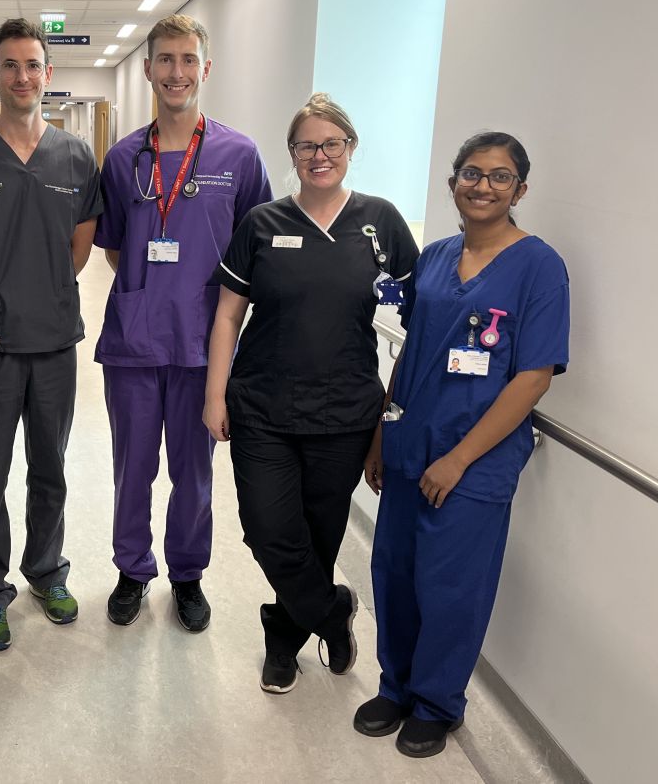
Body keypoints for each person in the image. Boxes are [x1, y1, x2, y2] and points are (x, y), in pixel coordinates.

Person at [354, 132, 569, 758]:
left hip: (473, 460)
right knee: (393, 572)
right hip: (408, 438)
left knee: (451, 585)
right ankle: (395, 688)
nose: (483, 186)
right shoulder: (437, 256)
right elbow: (410, 348)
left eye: (500, 177)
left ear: (520, 190)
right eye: (471, 174)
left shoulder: (539, 266)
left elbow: (531, 378)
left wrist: (460, 457)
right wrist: (378, 433)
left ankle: (437, 703)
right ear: (453, 184)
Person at [204, 93, 420, 694]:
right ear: (292, 154)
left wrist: (393, 409)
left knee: (320, 535)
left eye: (332, 144)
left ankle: (282, 639)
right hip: (261, 406)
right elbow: (227, 317)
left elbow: (422, 319)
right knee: (267, 528)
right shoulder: (263, 223)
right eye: (307, 145)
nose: (319, 155)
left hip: (346, 411)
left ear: (350, 148)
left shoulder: (381, 223)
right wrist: (214, 395)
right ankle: (330, 611)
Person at [95, 14, 271, 630]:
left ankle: (188, 575)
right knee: (132, 468)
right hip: (135, 343)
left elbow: (255, 253)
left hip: (205, 346)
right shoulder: (122, 159)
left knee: (193, 474)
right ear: (148, 69)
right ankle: (131, 570)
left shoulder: (239, 155)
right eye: (165, 60)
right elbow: (116, 247)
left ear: (205, 68)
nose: (176, 72)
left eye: (187, 60)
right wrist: (153, 293)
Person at [0, 18, 102, 651]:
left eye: (33, 65)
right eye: (10, 65)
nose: (23, 76)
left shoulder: (75, 154)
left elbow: (80, 241)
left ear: (47, 75)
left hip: (55, 339)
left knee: (51, 468)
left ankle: (46, 572)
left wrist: (50, 286)